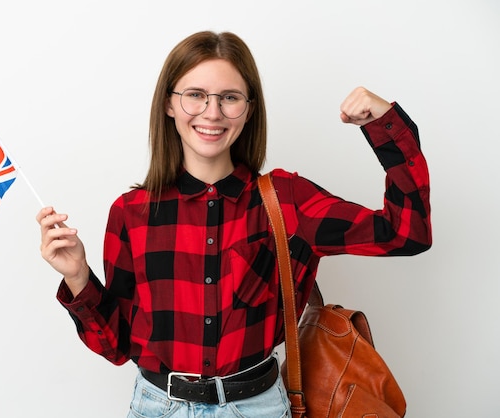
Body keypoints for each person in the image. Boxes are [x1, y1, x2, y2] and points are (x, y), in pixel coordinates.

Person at [36, 31, 432, 418]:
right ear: (169, 105)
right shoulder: (132, 212)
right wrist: (78, 277)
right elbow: (117, 347)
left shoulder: (286, 200)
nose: (212, 112)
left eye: (229, 97)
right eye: (195, 95)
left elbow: (406, 233)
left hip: (257, 406)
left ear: (249, 108)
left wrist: (386, 126)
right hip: (158, 407)